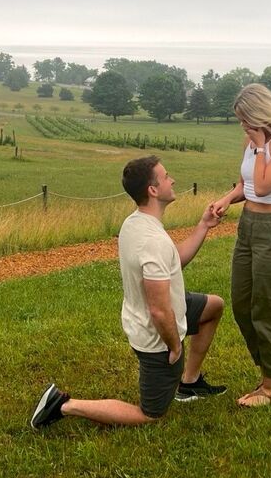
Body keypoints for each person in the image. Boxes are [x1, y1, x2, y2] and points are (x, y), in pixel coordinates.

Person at [31, 155, 226, 428]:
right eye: (167, 176)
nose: (173, 180)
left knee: (214, 306)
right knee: (150, 413)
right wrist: (173, 346)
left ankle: (189, 383)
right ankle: (62, 404)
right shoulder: (152, 240)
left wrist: (204, 225)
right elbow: (159, 310)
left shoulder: (135, 223)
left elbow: (174, 261)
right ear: (153, 190)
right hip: (157, 335)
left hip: (156, 314)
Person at [211, 84, 271, 408]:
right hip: (247, 228)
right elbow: (246, 183)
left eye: (245, 118)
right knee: (241, 303)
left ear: (261, 112)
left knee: (268, 308)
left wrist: (262, 146)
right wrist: (226, 199)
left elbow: (263, 187)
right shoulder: (253, 141)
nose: (243, 126)